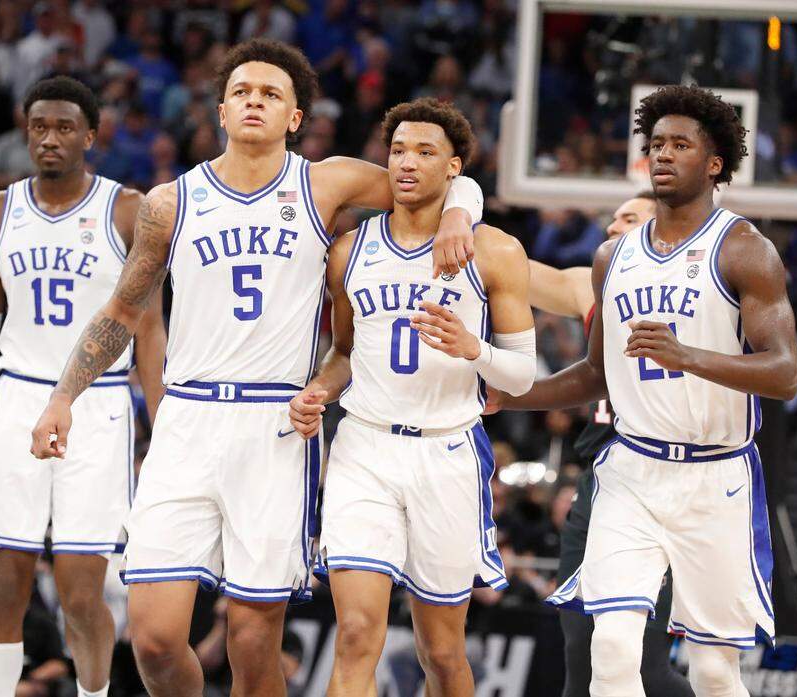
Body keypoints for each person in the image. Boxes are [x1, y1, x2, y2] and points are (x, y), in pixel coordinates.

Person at [29, 39, 481, 697]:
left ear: (295, 118)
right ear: (219, 110)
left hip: (273, 424)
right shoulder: (169, 202)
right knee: (154, 639)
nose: (254, 101)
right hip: (186, 420)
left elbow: (438, 177)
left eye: (271, 94)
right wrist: (62, 396)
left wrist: (462, 209)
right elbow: (123, 311)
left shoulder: (325, 183)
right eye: (242, 91)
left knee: (250, 644)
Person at [498, 85, 797, 696]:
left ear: (714, 163)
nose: (662, 154)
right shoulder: (613, 257)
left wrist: (685, 355)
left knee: (715, 672)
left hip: (717, 476)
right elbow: (594, 376)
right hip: (631, 470)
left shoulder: (745, 249)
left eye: (680, 144)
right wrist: (514, 397)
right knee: (610, 648)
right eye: (655, 143)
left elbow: (785, 371)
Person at [0, 76, 167, 697]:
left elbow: (152, 334)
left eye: (63, 128)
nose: (49, 139)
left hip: (101, 405)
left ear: (90, 135)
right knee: (6, 585)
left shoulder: (127, 210)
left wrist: (163, 433)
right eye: (38, 127)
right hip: (18, 398)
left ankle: (94, 692)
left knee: (81, 592)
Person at [287, 97, 535, 695]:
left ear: (455, 170)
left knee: (442, 652)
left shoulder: (495, 251)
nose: (406, 162)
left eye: (426, 152)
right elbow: (345, 353)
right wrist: (316, 391)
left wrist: (473, 350)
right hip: (365, 450)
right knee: (355, 634)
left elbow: (522, 377)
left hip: (446, 452)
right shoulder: (349, 251)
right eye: (398, 149)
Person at [499, 192, 694, 696]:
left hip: (665, 480)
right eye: (610, 220)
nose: (610, 228)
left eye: (627, 219)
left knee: (643, 664)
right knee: (579, 654)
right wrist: (452, 210)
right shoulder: (592, 291)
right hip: (599, 482)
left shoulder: (699, 294)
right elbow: (510, 267)